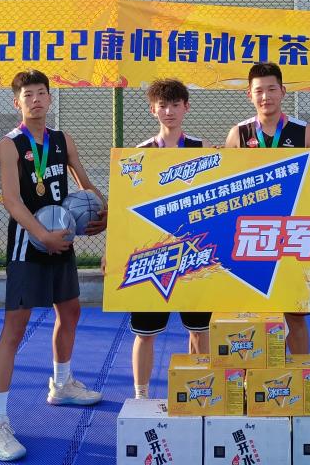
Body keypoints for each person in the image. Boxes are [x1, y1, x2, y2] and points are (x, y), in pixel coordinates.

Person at [0, 69, 108, 462]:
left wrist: (102, 210)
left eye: (41, 93)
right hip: (29, 244)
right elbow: (11, 200)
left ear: (50, 99)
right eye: (28, 95)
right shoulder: (10, 144)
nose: (36, 100)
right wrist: (42, 234)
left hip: (61, 238)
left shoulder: (62, 140)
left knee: (70, 311)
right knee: (14, 330)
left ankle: (62, 383)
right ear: (17, 103)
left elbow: (84, 184)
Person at [224, 62, 310, 354]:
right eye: (259, 91)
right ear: (249, 95)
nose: (265, 96)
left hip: (291, 235)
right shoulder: (238, 134)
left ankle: (302, 372)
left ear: (283, 92)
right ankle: (250, 374)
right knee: (251, 313)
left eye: (271, 89)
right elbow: (227, 189)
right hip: (252, 237)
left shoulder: (304, 132)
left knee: (296, 314)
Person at [130, 78, 211, 399]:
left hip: (195, 252)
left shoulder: (202, 149)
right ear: (153, 110)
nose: (169, 111)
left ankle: (200, 390)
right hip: (154, 254)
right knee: (145, 333)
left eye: (175, 105)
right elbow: (127, 210)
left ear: (186, 107)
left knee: (200, 329)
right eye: (162, 106)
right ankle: (141, 395)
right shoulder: (139, 154)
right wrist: (115, 251)